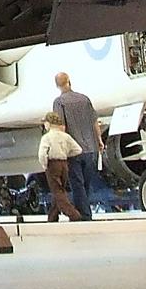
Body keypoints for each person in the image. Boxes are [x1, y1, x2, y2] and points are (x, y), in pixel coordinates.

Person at [52, 71, 103, 220]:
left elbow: (61, 126)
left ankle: (84, 215)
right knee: (85, 183)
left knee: (77, 184)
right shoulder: (84, 99)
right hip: (91, 148)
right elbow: (95, 122)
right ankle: (83, 212)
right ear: (70, 81)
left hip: (73, 150)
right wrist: (99, 140)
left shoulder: (59, 102)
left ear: (57, 85)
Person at [38, 112, 83, 222]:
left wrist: (44, 165)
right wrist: (67, 154)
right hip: (64, 164)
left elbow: (42, 154)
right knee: (60, 190)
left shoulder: (47, 137)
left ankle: (73, 214)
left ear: (49, 123)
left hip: (52, 164)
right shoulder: (66, 136)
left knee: (57, 191)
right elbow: (78, 150)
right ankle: (52, 216)